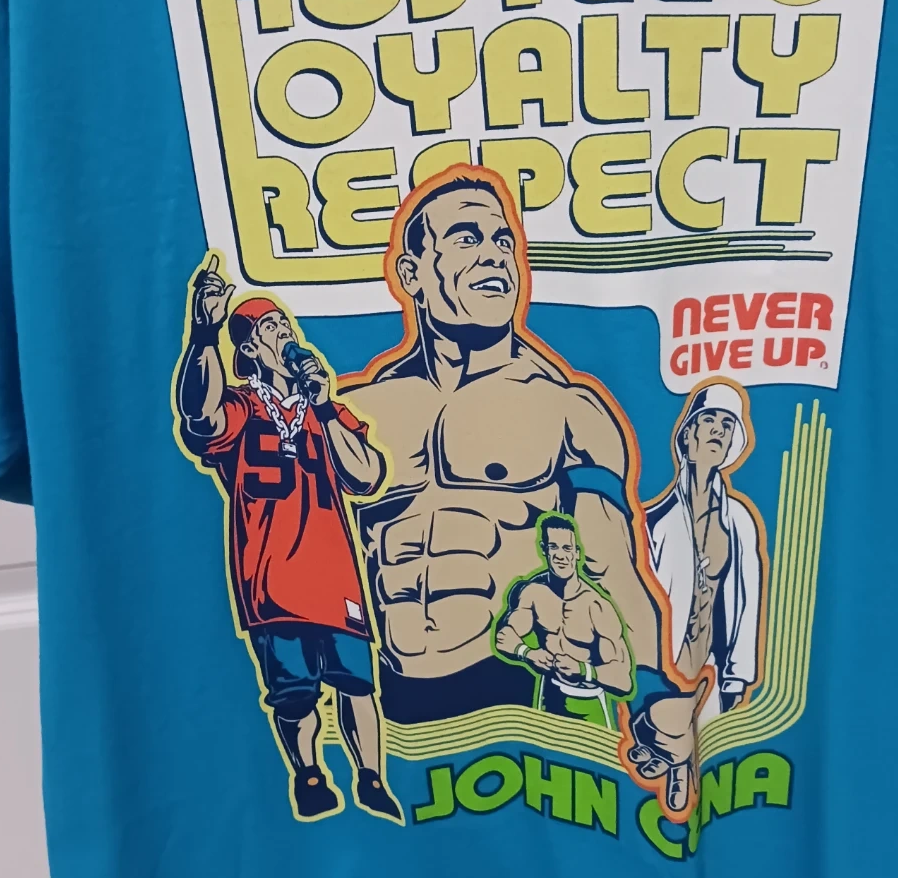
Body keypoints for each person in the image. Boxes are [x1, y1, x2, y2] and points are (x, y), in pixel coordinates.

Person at [341, 164, 673, 724]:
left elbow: (614, 569)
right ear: (411, 273)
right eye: (467, 238)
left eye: (503, 242)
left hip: (517, 687)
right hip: (385, 697)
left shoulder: (567, 410)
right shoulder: (357, 412)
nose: (495, 256)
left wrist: (649, 696)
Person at [174, 256, 402, 822]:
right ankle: (308, 774)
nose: (285, 333)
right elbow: (200, 415)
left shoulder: (325, 411)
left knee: (357, 684)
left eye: (284, 324)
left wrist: (324, 406)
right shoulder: (242, 406)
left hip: (336, 576)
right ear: (250, 348)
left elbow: (367, 475)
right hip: (271, 581)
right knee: (294, 692)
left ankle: (372, 778)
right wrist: (203, 333)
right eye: (271, 328)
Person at [623, 380, 765, 815]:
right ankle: (674, 767)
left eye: (728, 424)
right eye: (709, 420)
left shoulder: (738, 520)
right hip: (664, 669)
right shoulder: (654, 522)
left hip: (715, 671)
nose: (719, 430)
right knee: (663, 751)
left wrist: (739, 675)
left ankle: (677, 766)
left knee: (720, 790)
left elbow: (748, 601)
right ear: (687, 435)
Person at [494, 513, 633, 727]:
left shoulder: (596, 606)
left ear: (577, 553)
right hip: (550, 695)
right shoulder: (534, 593)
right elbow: (504, 637)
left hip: (589, 702)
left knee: (593, 750)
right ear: (544, 550)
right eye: (554, 547)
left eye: (567, 548)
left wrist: (583, 669)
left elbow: (623, 679)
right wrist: (528, 653)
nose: (560, 556)